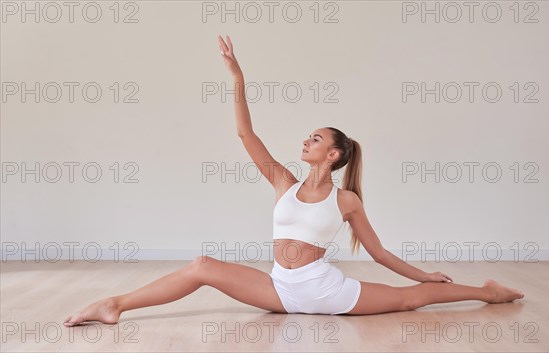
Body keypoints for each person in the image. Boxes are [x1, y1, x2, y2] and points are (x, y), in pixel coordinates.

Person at [63, 35, 524, 326]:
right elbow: (246, 134)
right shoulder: (283, 181)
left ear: (335, 154)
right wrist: (237, 78)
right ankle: (114, 305)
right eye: (307, 136)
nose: (306, 141)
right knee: (202, 265)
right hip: (280, 288)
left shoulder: (346, 202)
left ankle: (489, 292)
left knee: (411, 301)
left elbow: (379, 252)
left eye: (316, 139)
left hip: (327, 291)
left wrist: (424, 274)